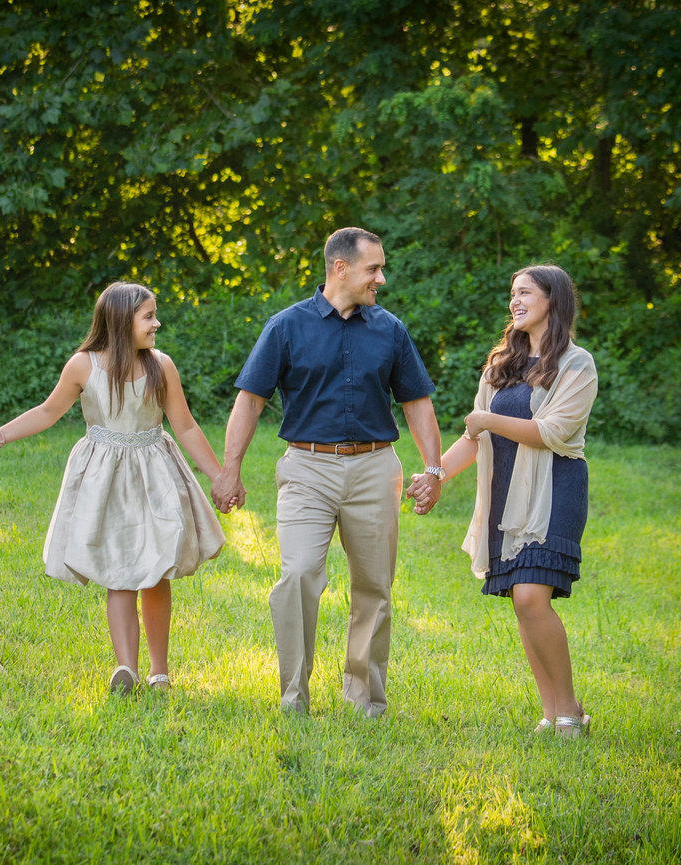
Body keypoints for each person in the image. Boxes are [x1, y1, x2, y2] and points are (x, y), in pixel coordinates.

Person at [211, 227, 442, 718]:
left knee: (374, 586)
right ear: (341, 269)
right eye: (373, 269)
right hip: (307, 467)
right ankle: (294, 695)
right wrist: (229, 470)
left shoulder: (390, 329)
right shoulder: (285, 327)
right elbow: (249, 401)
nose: (381, 277)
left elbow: (417, 403)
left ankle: (365, 699)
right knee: (296, 575)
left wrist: (433, 469)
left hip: (376, 467)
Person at [0, 282, 226, 695]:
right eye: (148, 316)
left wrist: (219, 476)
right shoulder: (83, 366)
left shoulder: (160, 365)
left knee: (156, 569)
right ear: (119, 320)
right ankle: (125, 668)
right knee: (119, 573)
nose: (156, 323)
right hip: (104, 479)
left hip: (154, 476)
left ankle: (159, 671)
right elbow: (47, 411)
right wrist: (1, 435)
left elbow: (185, 426)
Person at [412, 264, 597, 738]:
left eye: (524, 293)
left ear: (552, 300)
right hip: (505, 490)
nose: (514, 302)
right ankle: (552, 711)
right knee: (521, 601)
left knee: (534, 596)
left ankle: (571, 711)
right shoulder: (502, 366)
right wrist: (433, 475)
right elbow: (474, 437)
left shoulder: (577, 364)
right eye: (511, 294)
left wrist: (487, 421)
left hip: (554, 489)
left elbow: (552, 432)